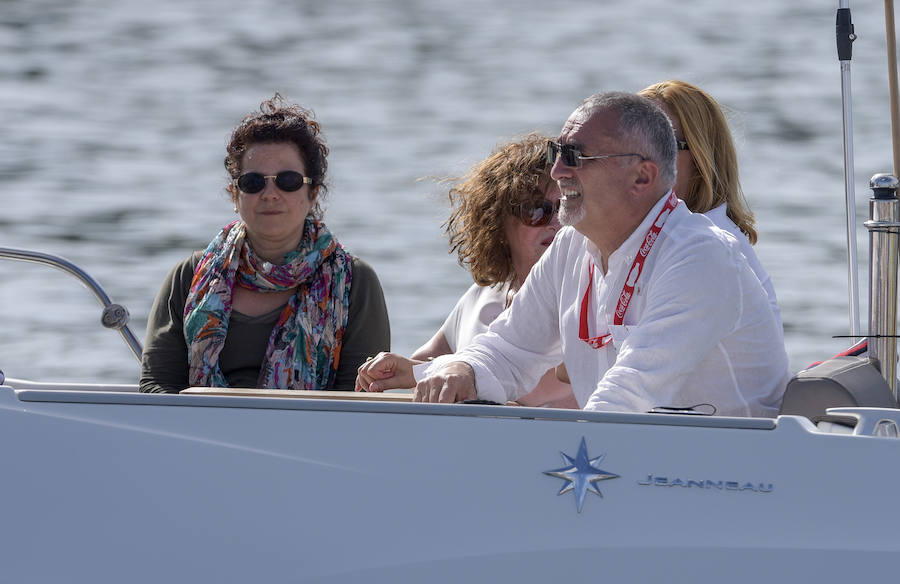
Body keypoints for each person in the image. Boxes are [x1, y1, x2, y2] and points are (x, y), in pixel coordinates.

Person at [357, 92, 791, 417]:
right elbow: (509, 349)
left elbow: (630, 396)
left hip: (723, 486)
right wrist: (460, 369)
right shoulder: (571, 246)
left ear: (642, 177)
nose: (556, 171)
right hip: (636, 471)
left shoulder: (702, 256)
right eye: (556, 153)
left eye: (575, 156)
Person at [140, 94, 390, 394]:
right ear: (235, 195)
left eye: (287, 180)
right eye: (253, 182)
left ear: (313, 194)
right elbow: (157, 388)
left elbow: (358, 401)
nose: (270, 194)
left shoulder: (356, 282)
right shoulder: (188, 276)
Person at [408, 133, 576, 408]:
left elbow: (528, 388)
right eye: (536, 211)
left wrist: (440, 370)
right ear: (498, 226)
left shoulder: (586, 298)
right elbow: (420, 363)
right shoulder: (482, 295)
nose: (555, 223)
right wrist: (393, 370)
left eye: (566, 207)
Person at [638, 79, 781, 328]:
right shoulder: (641, 238)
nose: (640, 161)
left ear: (700, 158)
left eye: (661, 144)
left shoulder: (714, 249)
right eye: (629, 144)